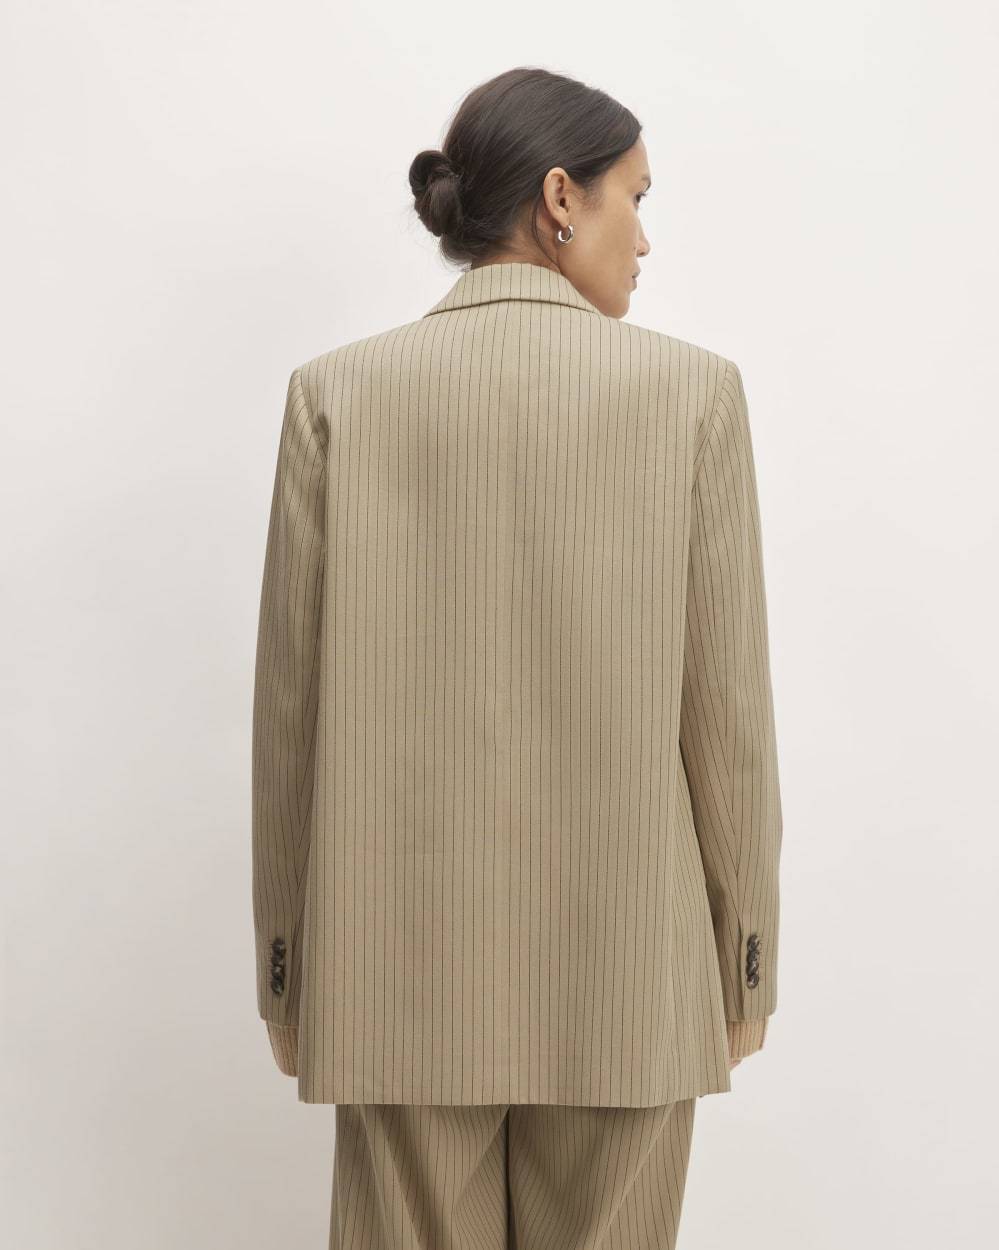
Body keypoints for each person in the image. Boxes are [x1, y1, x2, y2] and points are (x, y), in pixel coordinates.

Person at [251, 65, 783, 1249]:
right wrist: (744, 958)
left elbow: (290, 717)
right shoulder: (692, 396)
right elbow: (729, 718)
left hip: (391, 976)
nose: (644, 237)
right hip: (632, 982)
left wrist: (287, 966)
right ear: (558, 200)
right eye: (633, 196)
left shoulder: (336, 397)